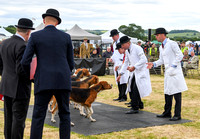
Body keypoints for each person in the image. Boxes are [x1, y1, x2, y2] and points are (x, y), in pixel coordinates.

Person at [21, 8, 74, 139]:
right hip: (62, 80)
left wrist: (32, 77)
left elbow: (25, 61)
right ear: (57, 22)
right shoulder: (66, 37)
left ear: (44, 20)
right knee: (65, 115)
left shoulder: (35, 36)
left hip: (43, 80)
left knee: (38, 116)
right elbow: (71, 63)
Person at [0, 18, 34, 139]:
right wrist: (32, 77)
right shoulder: (23, 46)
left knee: (8, 119)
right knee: (18, 120)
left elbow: (1, 66)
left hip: (6, 86)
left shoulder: (4, 43)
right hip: (19, 88)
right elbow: (21, 70)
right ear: (28, 32)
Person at [147, 27, 188, 121]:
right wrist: (153, 64)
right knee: (167, 92)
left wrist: (173, 66)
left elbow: (180, 55)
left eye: (157, 35)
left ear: (162, 35)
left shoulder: (172, 43)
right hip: (168, 73)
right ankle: (167, 112)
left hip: (174, 72)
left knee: (177, 94)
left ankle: (177, 114)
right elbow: (161, 60)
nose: (156, 37)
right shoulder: (161, 46)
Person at [117, 36, 152, 114]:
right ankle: (139, 104)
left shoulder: (137, 48)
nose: (122, 46)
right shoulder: (127, 51)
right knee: (131, 88)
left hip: (140, 71)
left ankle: (135, 107)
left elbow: (144, 59)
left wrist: (134, 66)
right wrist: (120, 74)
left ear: (128, 43)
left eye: (123, 44)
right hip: (134, 72)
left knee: (135, 89)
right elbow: (126, 62)